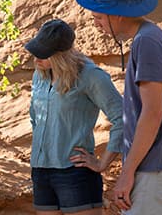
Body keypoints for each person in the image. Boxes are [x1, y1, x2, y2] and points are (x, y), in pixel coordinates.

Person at [75, 0, 162, 215]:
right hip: (160, 168)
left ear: (117, 14)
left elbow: (153, 113)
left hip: (157, 170)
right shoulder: (147, 37)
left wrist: (127, 174)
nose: (96, 24)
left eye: (98, 17)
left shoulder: (146, 42)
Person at [24, 18, 124, 215]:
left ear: (61, 55)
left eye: (43, 55)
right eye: (35, 52)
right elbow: (36, 119)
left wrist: (103, 162)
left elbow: (123, 117)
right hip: (41, 171)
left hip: (74, 173)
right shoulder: (40, 75)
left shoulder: (91, 76)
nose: (36, 59)